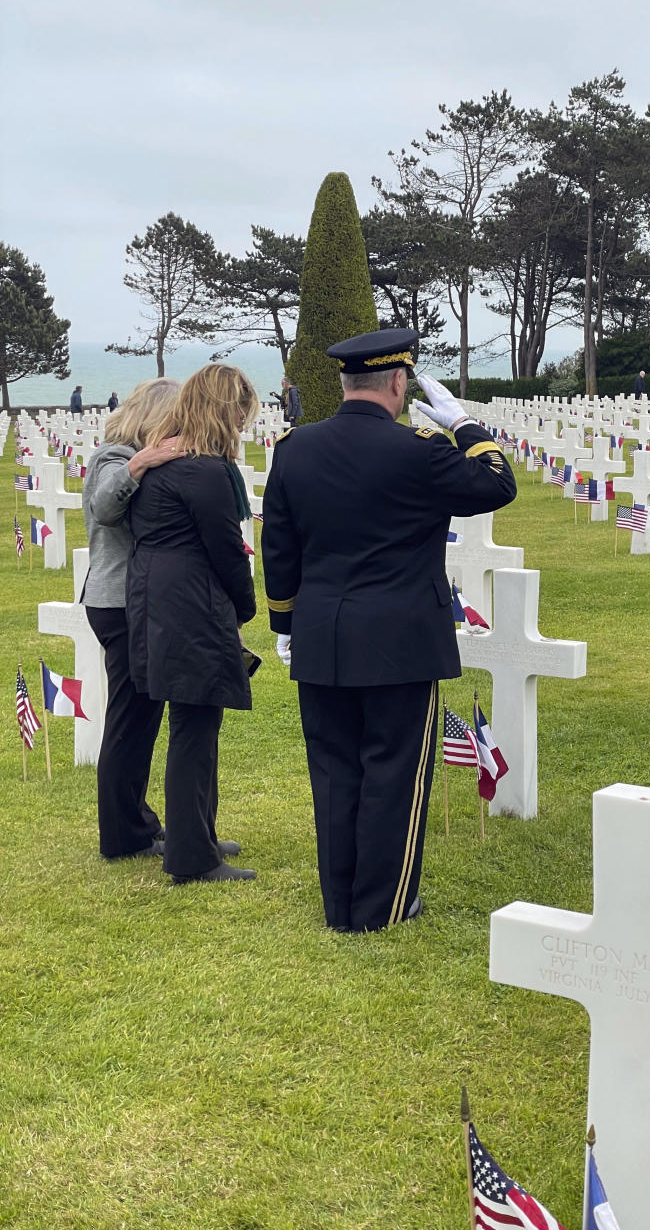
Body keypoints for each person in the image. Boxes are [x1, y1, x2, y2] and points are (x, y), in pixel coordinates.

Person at [261, 328, 516, 933]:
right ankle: (382, 906)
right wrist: (465, 425)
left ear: (344, 383)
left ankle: (340, 904)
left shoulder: (295, 448)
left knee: (334, 771)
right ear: (400, 382)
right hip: (400, 641)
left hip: (322, 633)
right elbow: (497, 483)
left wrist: (284, 622)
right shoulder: (422, 452)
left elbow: (279, 545)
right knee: (394, 773)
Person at [127, 364, 259, 884]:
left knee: (193, 725)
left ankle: (194, 836)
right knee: (194, 729)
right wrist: (245, 606)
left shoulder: (164, 461)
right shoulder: (202, 471)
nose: (244, 423)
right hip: (190, 606)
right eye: (240, 412)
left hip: (161, 601)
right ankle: (191, 857)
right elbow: (227, 549)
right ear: (223, 410)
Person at [82, 379, 182, 859]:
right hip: (118, 602)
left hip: (132, 601)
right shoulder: (115, 456)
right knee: (129, 718)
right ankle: (123, 836)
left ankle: (138, 822)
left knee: (141, 716)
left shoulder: (130, 455)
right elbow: (105, 507)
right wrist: (142, 462)